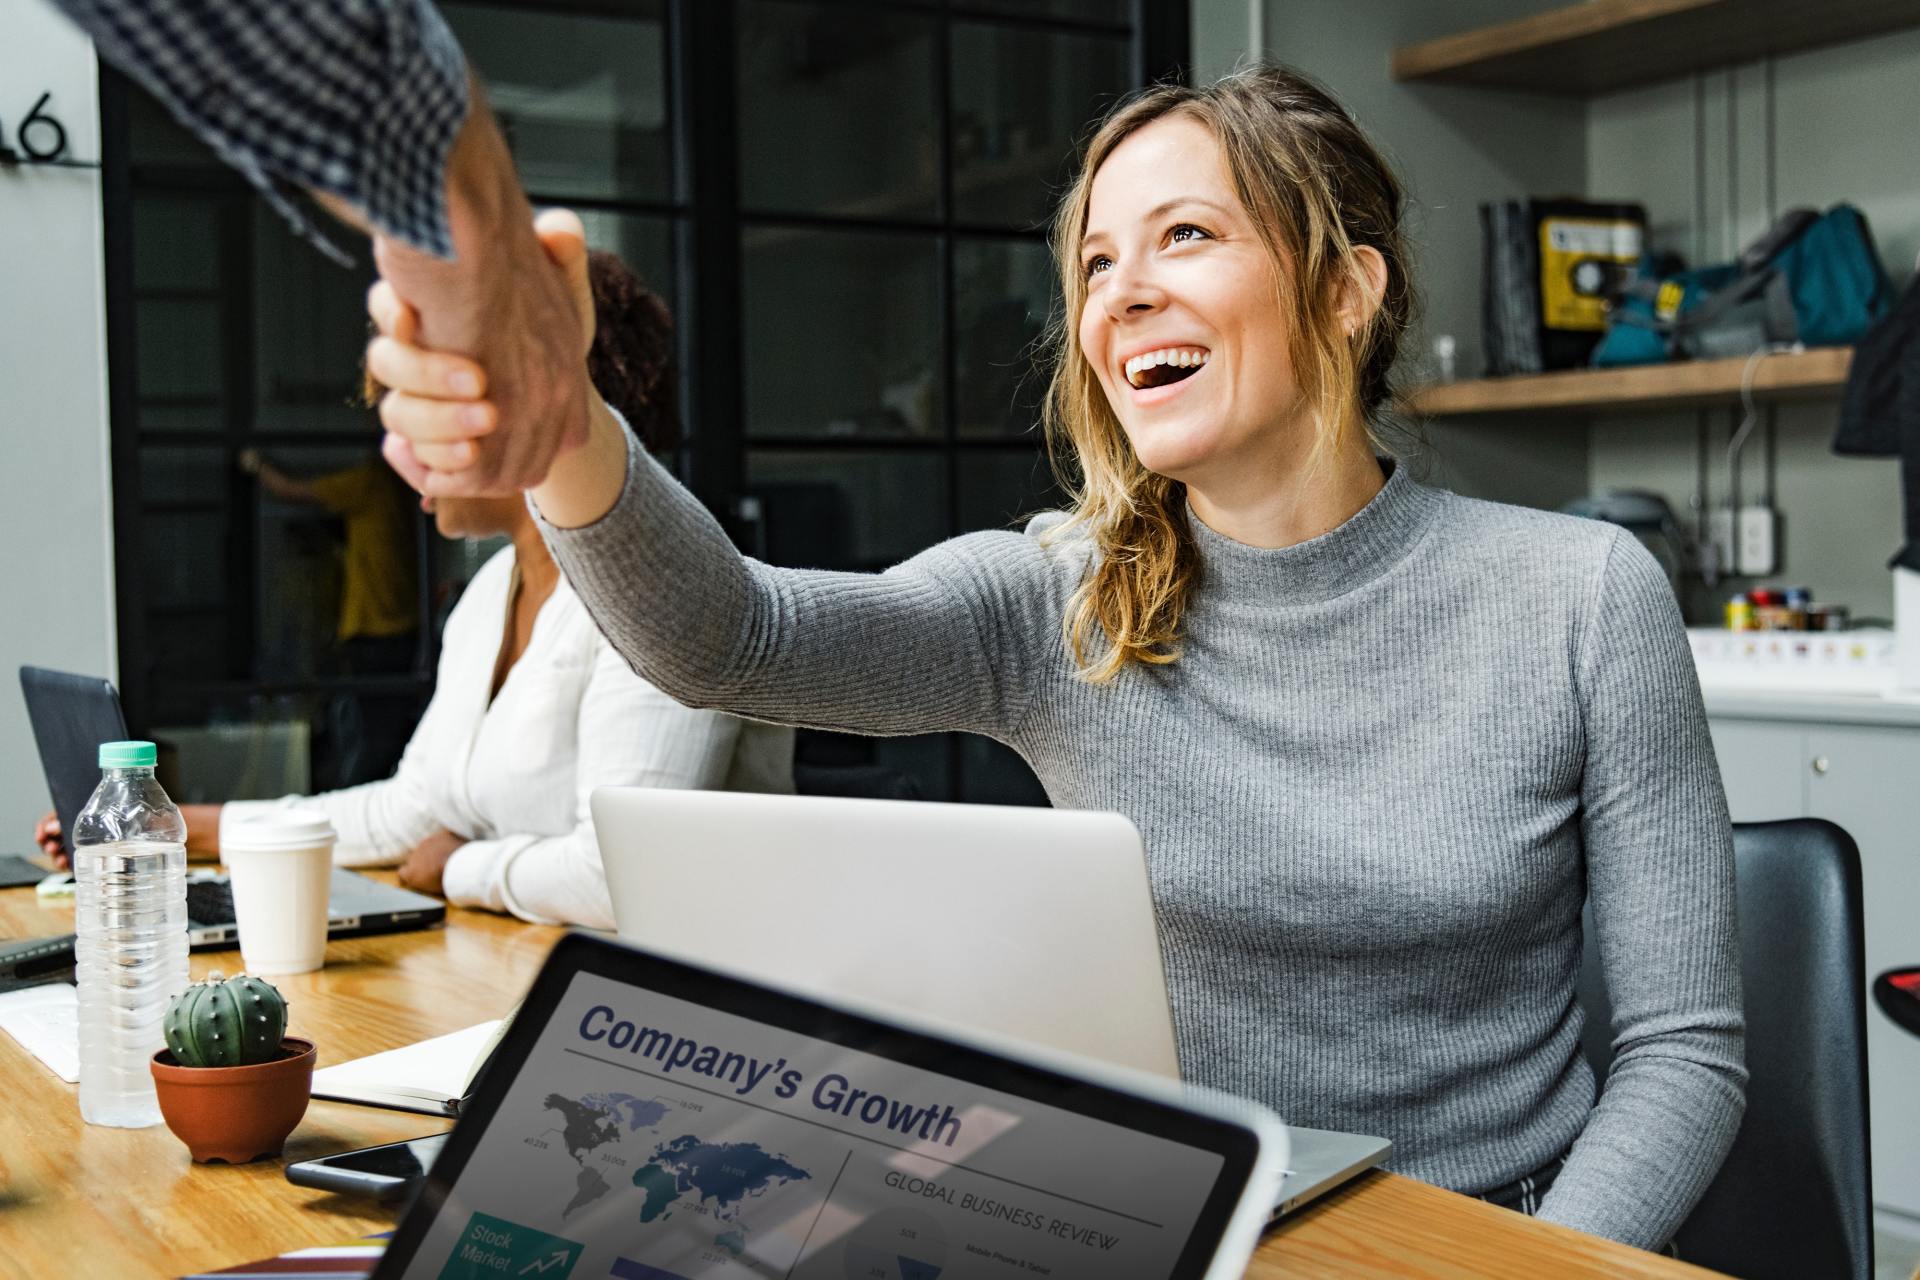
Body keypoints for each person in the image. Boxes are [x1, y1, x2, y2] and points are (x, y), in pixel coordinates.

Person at [365, 69, 1745, 1252]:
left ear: (1343, 292)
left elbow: (1686, 1059)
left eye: (1184, 236)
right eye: (1095, 263)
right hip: (1170, 1235)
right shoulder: (1056, 600)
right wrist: (563, 425)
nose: (1122, 293)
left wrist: (1534, 1274)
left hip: (1482, 1236)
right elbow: (728, 635)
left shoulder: (1579, 595)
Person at [35, 253, 793, 928]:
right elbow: (411, 812)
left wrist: (462, 867)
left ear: (539, 403)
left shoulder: (664, 586)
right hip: (525, 967)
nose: (398, 445)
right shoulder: (491, 590)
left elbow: (619, 879)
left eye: (427, 405)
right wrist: (172, 828)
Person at [239, 446, 422, 785]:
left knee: (370, 742)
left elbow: (291, 490)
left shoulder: (372, 482)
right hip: (395, 628)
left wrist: (255, 463)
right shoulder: (400, 489)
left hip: (375, 633)